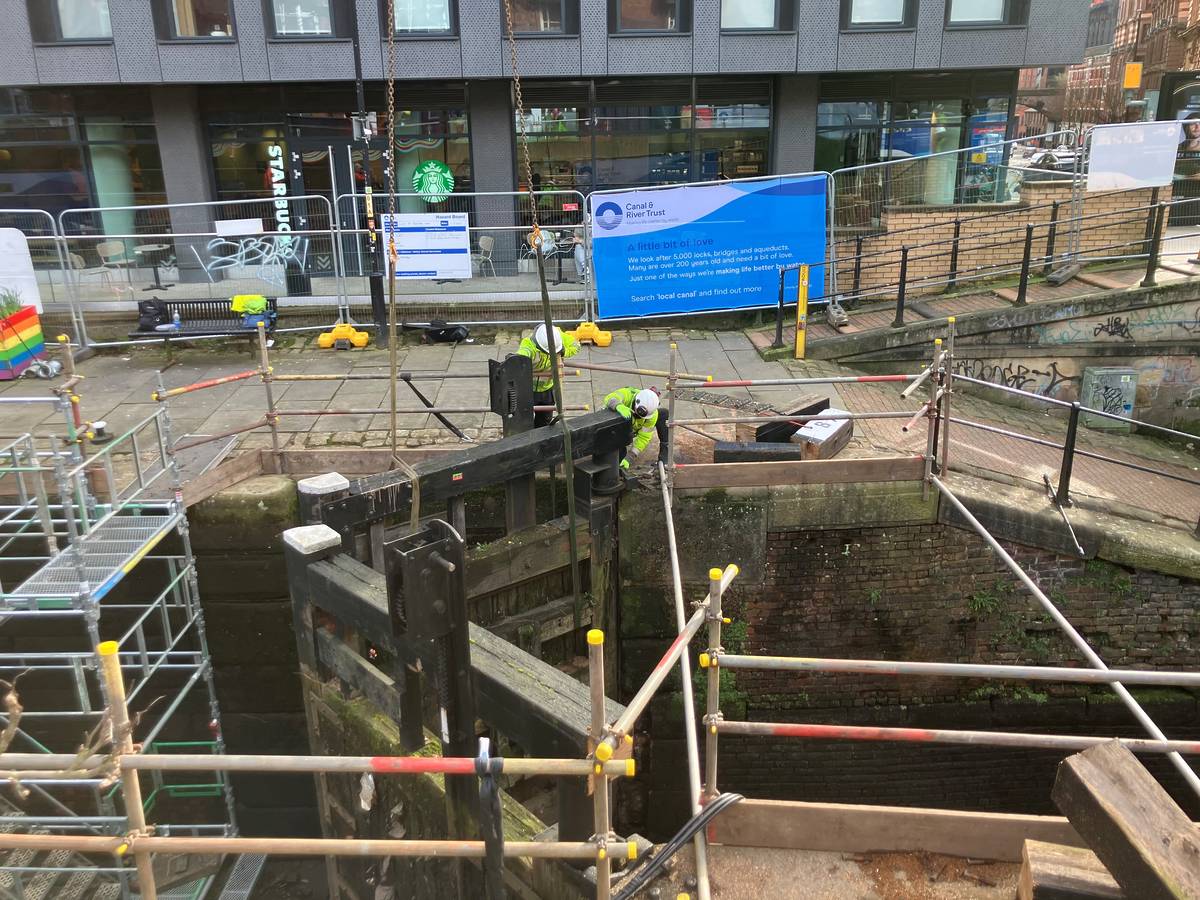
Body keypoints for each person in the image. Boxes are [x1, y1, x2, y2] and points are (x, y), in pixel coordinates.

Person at [516, 324, 580, 427]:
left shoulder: (557, 335)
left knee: (544, 421)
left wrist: (563, 351)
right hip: (528, 389)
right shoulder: (529, 344)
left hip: (548, 389)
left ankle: (540, 439)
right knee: (524, 420)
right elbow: (523, 353)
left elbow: (576, 345)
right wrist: (517, 359)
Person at [603, 386, 668, 470]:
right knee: (616, 457)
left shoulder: (652, 414)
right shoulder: (627, 394)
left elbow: (644, 437)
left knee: (664, 414)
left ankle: (665, 456)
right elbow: (610, 398)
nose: (641, 418)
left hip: (630, 429)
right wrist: (618, 405)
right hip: (612, 427)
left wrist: (630, 456)